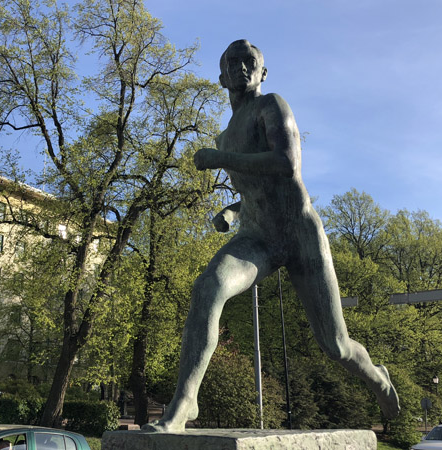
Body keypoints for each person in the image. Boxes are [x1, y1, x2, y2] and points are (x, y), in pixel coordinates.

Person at [143, 39, 400, 432]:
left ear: (263, 73)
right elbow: (255, 191)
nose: (242, 67)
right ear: (221, 76)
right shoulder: (225, 137)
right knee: (208, 287)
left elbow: (285, 165)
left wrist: (220, 160)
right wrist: (231, 210)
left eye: (251, 61)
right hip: (258, 240)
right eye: (234, 62)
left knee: (336, 345)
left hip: (300, 235)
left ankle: (376, 377)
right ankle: (185, 401)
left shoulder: (272, 106)